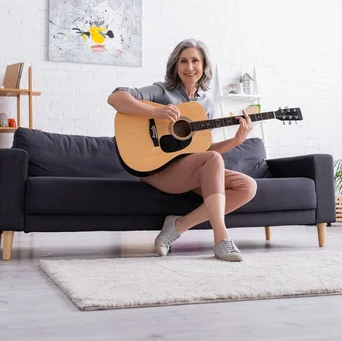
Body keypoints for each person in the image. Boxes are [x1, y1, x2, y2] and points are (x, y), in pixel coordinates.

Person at [107, 39, 257, 262]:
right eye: (183, 61)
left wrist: (235, 141)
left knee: (247, 186)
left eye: (195, 61)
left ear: (203, 65)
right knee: (213, 159)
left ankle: (178, 225)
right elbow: (116, 98)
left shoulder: (206, 104)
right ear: (175, 66)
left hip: (188, 169)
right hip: (157, 170)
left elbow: (203, 150)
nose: (189, 67)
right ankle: (221, 239)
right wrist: (155, 112)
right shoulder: (162, 91)